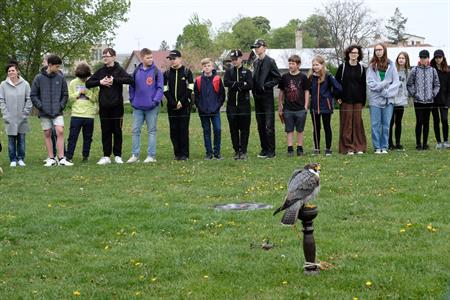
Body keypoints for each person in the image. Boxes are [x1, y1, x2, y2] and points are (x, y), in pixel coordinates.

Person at [86, 48, 134, 165]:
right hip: (104, 106)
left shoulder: (119, 70)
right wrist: (100, 82)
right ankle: (106, 156)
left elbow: (130, 80)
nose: (105, 58)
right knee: (105, 131)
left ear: (114, 57)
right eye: (103, 56)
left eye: (107, 56)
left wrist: (115, 80)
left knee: (117, 131)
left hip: (117, 106)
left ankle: (118, 155)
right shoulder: (100, 71)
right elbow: (88, 83)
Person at [30, 54, 72, 166]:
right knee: (47, 133)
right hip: (44, 112)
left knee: (60, 131)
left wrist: (61, 106)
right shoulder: (38, 78)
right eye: (57, 66)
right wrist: (41, 106)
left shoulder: (61, 77)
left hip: (57, 111)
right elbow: (33, 95)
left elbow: (65, 94)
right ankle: (52, 159)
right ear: (50, 65)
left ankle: (62, 158)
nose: (58, 69)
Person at [127, 48, 164, 163]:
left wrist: (155, 101)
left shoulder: (156, 71)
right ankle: (135, 155)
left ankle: (151, 156)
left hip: (152, 108)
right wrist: (132, 99)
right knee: (135, 131)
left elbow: (160, 88)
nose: (150, 59)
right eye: (148, 57)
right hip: (137, 107)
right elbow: (131, 86)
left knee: (151, 131)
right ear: (142, 58)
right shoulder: (136, 71)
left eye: (151, 57)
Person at [366, 43, 400, 154]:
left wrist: (386, 92)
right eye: (376, 50)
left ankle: (384, 146)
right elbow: (371, 83)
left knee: (386, 125)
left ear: (384, 50)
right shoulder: (371, 66)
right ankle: (377, 147)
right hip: (374, 100)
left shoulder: (391, 65)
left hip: (388, 100)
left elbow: (395, 83)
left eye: (380, 49)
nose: (378, 52)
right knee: (375, 125)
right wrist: (384, 83)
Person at [251, 39, 281, 158]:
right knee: (260, 125)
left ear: (264, 47)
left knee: (269, 125)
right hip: (257, 98)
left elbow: (278, 78)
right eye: (255, 47)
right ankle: (264, 149)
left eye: (258, 46)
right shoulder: (255, 62)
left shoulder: (270, 61)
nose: (257, 49)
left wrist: (265, 86)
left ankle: (271, 151)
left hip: (267, 97)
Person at [307, 55, 342, 156]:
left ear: (322, 65)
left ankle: (328, 149)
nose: (315, 67)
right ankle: (316, 149)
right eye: (314, 65)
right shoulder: (311, 77)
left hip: (325, 106)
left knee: (327, 127)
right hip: (314, 107)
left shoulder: (328, 76)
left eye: (317, 65)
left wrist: (333, 96)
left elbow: (338, 87)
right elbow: (308, 90)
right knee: (316, 128)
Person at [336, 45, 367, 155]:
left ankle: (359, 147)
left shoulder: (362, 68)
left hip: (358, 100)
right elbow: (336, 83)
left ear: (359, 55)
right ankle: (348, 147)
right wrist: (338, 97)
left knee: (357, 123)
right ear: (348, 54)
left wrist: (364, 101)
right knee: (347, 123)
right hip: (345, 100)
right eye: (352, 52)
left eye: (356, 53)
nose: (354, 54)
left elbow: (363, 86)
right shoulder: (342, 67)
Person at [0, 63, 33, 167]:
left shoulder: (25, 84)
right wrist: (6, 114)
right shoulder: (3, 85)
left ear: (17, 71)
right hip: (9, 117)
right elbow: (1, 100)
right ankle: (13, 159)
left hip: (22, 117)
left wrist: (25, 113)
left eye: (13, 70)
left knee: (21, 140)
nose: (11, 72)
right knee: (11, 140)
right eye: (9, 71)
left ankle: (21, 158)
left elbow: (29, 99)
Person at [163, 50, 194, 161]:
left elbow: (190, 87)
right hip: (172, 107)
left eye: (174, 58)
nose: (172, 61)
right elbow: (165, 89)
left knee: (183, 130)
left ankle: (185, 154)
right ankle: (177, 154)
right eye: (170, 59)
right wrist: (172, 102)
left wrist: (181, 101)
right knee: (174, 130)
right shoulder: (166, 73)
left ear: (180, 59)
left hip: (184, 106)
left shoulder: (187, 72)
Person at [407, 49, 440, 150]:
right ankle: (418, 143)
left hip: (429, 101)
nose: (423, 59)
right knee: (419, 121)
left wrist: (433, 94)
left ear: (428, 58)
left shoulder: (433, 70)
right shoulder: (415, 70)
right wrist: (414, 94)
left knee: (426, 122)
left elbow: (437, 84)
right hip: (418, 101)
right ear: (419, 58)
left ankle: (425, 143)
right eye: (421, 57)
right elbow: (409, 84)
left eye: (425, 57)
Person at [278, 54, 310, 157]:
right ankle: (290, 148)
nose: (290, 65)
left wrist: (306, 105)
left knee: (300, 129)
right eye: (289, 63)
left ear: (298, 65)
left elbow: (306, 92)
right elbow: (281, 92)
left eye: (293, 63)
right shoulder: (285, 77)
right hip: (288, 108)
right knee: (289, 129)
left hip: (300, 108)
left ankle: (300, 148)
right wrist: (280, 105)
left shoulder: (303, 77)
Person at [66, 63, 99, 162]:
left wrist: (87, 92)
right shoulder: (72, 83)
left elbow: (96, 99)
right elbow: (70, 99)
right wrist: (79, 93)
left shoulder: (93, 83)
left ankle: (85, 156)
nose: (84, 80)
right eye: (81, 78)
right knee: (72, 137)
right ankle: (69, 157)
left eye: (85, 77)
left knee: (88, 138)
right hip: (76, 115)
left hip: (89, 115)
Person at [224, 49, 253, 160]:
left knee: (244, 129)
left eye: (236, 59)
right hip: (232, 106)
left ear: (241, 59)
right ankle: (237, 150)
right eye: (232, 60)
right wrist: (241, 84)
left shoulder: (247, 72)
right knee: (233, 129)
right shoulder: (228, 72)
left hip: (244, 106)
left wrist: (235, 85)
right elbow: (226, 83)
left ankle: (243, 151)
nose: (234, 61)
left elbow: (250, 85)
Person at [194, 58, 225, 160]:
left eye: (208, 66)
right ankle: (209, 153)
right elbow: (196, 96)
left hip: (215, 111)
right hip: (203, 111)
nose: (206, 68)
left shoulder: (217, 79)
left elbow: (222, 95)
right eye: (204, 66)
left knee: (217, 130)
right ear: (202, 68)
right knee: (206, 132)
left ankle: (217, 153)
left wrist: (217, 106)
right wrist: (200, 107)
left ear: (212, 67)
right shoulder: (198, 80)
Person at [389, 52, 411, 151]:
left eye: (403, 58)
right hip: (392, 100)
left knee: (398, 122)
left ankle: (398, 143)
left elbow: (409, 84)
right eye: (399, 58)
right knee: (390, 122)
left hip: (401, 100)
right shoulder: (392, 70)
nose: (401, 60)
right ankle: (389, 143)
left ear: (406, 60)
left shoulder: (408, 72)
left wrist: (407, 94)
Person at [430, 49, 450, 149]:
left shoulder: (448, 70)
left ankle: (446, 140)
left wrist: (448, 102)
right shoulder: (431, 69)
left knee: (445, 120)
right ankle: (438, 141)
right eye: (436, 57)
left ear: (443, 58)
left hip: (444, 100)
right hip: (433, 100)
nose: (438, 59)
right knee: (436, 120)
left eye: (440, 57)